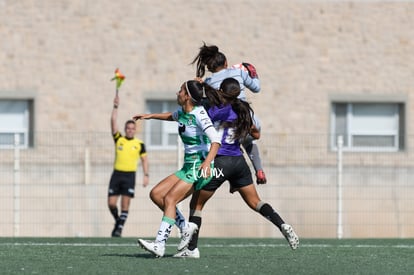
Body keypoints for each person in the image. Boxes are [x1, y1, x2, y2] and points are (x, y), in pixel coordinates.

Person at [173, 78, 299, 258]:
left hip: (220, 160)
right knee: (256, 202)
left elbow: (196, 107)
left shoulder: (214, 109)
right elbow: (256, 134)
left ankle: (191, 249)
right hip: (238, 162)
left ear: (222, 90)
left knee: (197, 204)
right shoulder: (242, 110)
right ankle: (282, 224)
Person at [133, 80, 221, 258]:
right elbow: (171, 116)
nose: (177, 92)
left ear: (187, 96)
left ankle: (160, 244)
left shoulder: (199, 114)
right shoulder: (183, 112)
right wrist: (150, 116)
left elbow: (216, 140)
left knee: (170, 198)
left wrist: (207, 163)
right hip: (189, 165)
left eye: (181, 90)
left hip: (199, 166)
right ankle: (184, 227)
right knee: (156, 194)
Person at [191, 42, 267, 184]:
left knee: (229, 148)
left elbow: (205, 103)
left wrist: (201, 86)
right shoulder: (238, 72)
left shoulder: (209, 81)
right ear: (226, 62)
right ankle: (259, 169)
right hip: (248, 119)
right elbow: (256, 88)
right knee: (249, 141)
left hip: (226, 124)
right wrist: (252, 72)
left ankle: (231, 179)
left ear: (209, 67)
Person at [108, 94, 149, 237]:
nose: (130, 130)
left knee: (125, 205)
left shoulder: (139, 144)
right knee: (112, 204)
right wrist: (115, 106)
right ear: (125, 129)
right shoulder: (119, 139)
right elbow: (113, 121)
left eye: (133, 128)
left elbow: (144, 160)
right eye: (128, 128)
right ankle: (118, 221)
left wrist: (146, 175)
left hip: (129, 176)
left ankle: (119, 229)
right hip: (116, 174)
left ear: (135, 130)